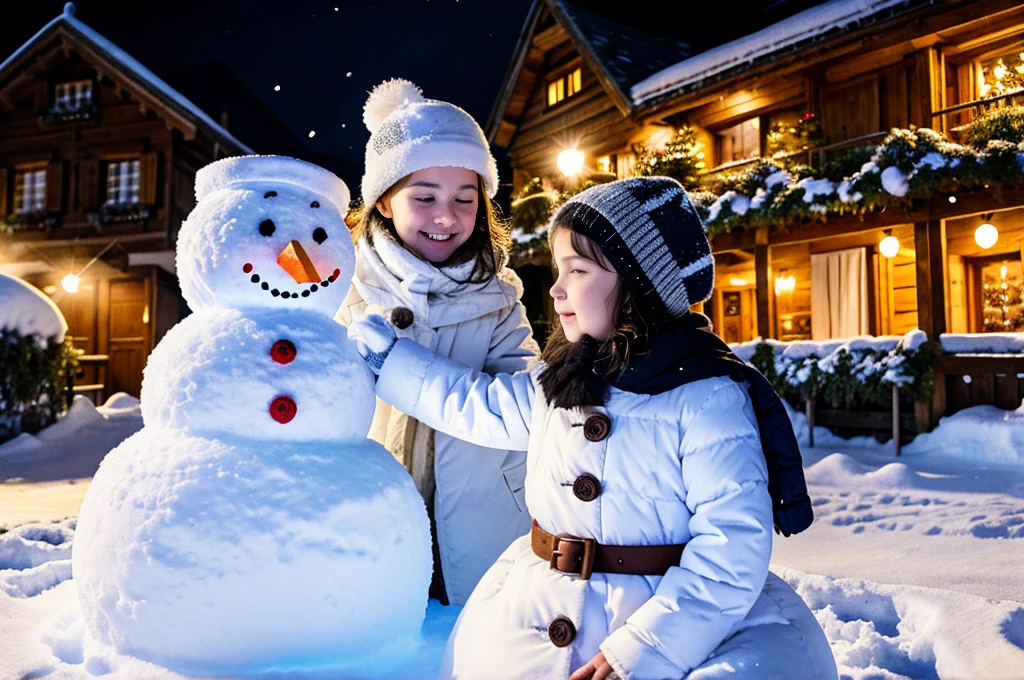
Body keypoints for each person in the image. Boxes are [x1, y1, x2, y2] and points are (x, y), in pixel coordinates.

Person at [348, 177, 837, 680]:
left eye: (577, 270)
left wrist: (648, 648)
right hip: (541, 605)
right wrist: (392, 362)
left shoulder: (706, 396)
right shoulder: (564, 382)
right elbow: (476, 404)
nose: (557, 289)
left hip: (671, 620)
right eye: (559, 270)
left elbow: (733, 544)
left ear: (638, 285)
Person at [334, 78, 539, 607]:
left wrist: (398, 364)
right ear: (382, 201)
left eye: (465, 198)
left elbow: (524, 413)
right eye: (424, 197)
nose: (446, 216)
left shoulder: (499, 300)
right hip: (366, 534)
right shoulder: (340, 290)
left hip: (482, 537)